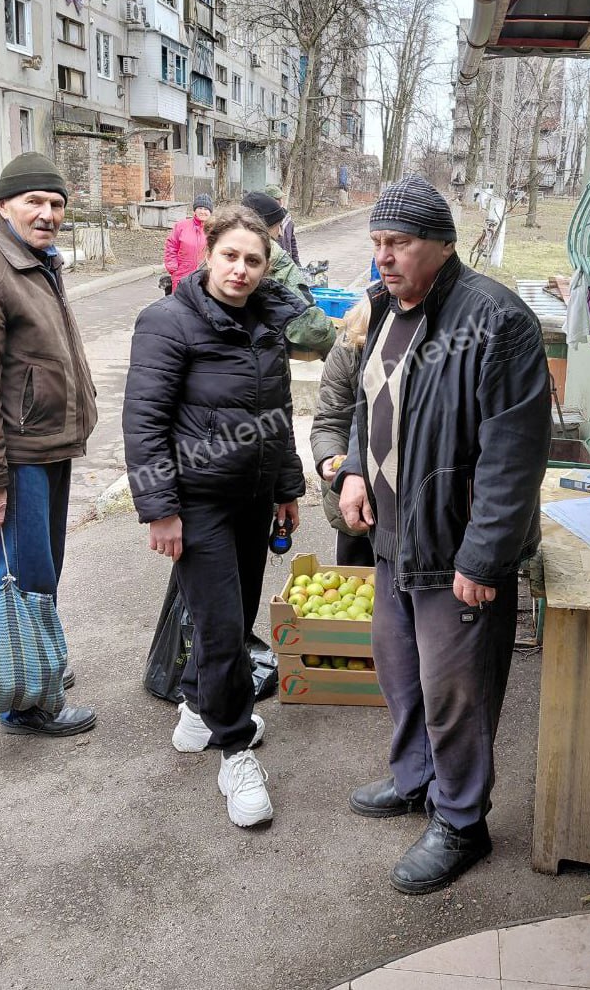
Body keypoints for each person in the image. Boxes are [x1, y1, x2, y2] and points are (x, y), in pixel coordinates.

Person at [335, 175, 551, 893]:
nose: (383, 256)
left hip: (454, 549)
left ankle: (461, 821)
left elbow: (513, 454)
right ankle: (415, 780)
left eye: (398, 243)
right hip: (394, 538)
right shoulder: (385, 309)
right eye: (377, 242)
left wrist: (484, 557)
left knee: (458, 693)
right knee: (401, 674)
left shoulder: (496, 321)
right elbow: (370, 404)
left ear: (442, 244)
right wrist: (356, 472)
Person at [122, 206, 306, 828]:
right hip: (196, 501)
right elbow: (144, 423)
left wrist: (286, 487)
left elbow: (278, 413)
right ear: (208, 255)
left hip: (252, 498)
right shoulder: (167, 321)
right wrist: (159, 509)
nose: (241, 270)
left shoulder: (266, 322)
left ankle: (198, 709)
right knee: (224, 627)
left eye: (254, 260)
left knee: (233, 615)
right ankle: (235, 750)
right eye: (230, 256)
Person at [0, 151, 98, 736]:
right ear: (4, 204)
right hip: (15, 454)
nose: (47, 213)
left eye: (56, 203)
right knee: (25, 575)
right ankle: (24, 704)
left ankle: (37, 664)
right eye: (34, 201)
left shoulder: (36, 261)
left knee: (42, 570)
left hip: (47, 444)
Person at [310, 296, 375, 567]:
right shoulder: (350, 344)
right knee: (357, 579)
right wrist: (329, 457)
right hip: (354, 501)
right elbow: (331, 419)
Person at [242, 191, 335, 359]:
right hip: (262, 360)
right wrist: (335, 341)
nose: (279, 234)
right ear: (264, 227)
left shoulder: (217, 256)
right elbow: (306, 324)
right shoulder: (276, 259)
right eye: (277, 226)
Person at [163, 194, 213, 292]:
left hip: (205, 277)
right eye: (200, 208)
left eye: (206, 209)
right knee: (180, 301)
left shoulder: (214, 229)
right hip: (182, 275)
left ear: (210, 212)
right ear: (194, 210)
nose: (203, 211)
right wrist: (173, 268)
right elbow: (171, 246)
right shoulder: (181, 226)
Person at [264, 183, 300, 265]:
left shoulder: (287, 218)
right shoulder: (265, 221)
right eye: (277, 199)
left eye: (281, 198)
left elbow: (293, 243)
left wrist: (297, 263)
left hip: (288, 264)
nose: (281, 201)